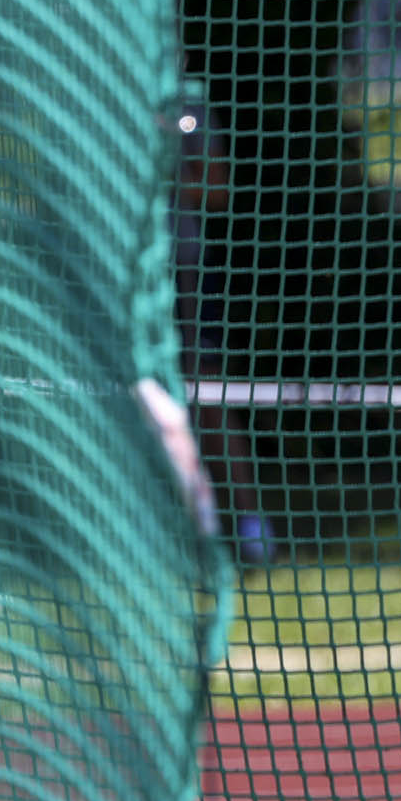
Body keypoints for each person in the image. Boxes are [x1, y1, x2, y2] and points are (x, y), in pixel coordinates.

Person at [175, 100, 276, 567]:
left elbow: (217, 190)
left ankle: (249, 526)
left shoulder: (188, 107)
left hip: (184, 270)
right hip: (117, 273)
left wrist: (165, 180)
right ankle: (180, 526)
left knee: (206, 394)